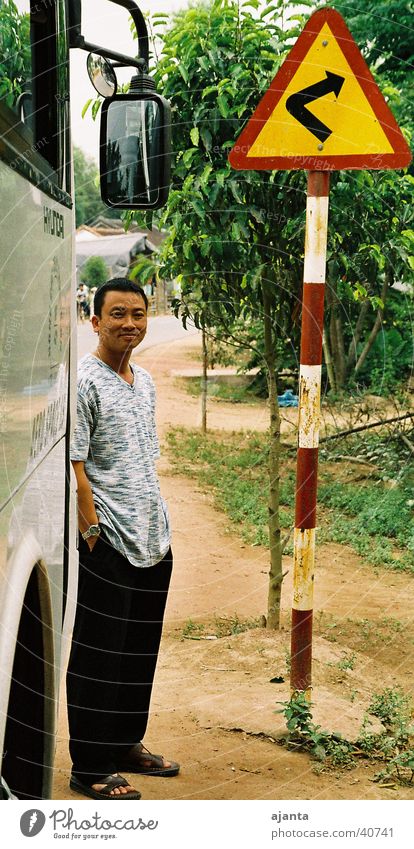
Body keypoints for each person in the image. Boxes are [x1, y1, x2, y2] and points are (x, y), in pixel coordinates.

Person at [67, 278, 179, 800]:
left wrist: (157, 522)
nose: (129, 323)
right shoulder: (84, 381)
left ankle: (124, 742)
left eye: (138, 314)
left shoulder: (146, 380)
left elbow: (144, 460)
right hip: (108, 538)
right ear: (95, 321)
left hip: (153, 538)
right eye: (117, 314)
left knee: (138, 650)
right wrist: (92, 532)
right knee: (98, 653)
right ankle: (89, 763)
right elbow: (77, 466)